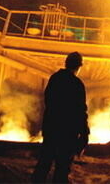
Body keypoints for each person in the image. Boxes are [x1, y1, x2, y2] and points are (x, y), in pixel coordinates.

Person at [32, 52, 89, 183]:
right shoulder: (77, 84)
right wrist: (84, 133)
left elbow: (48, 101)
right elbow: (80, 111)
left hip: (51, 128)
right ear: (78, 67)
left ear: (66, 63)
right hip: (68, 133)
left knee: (44, 163)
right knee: (62, 168)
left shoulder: (55, 79)